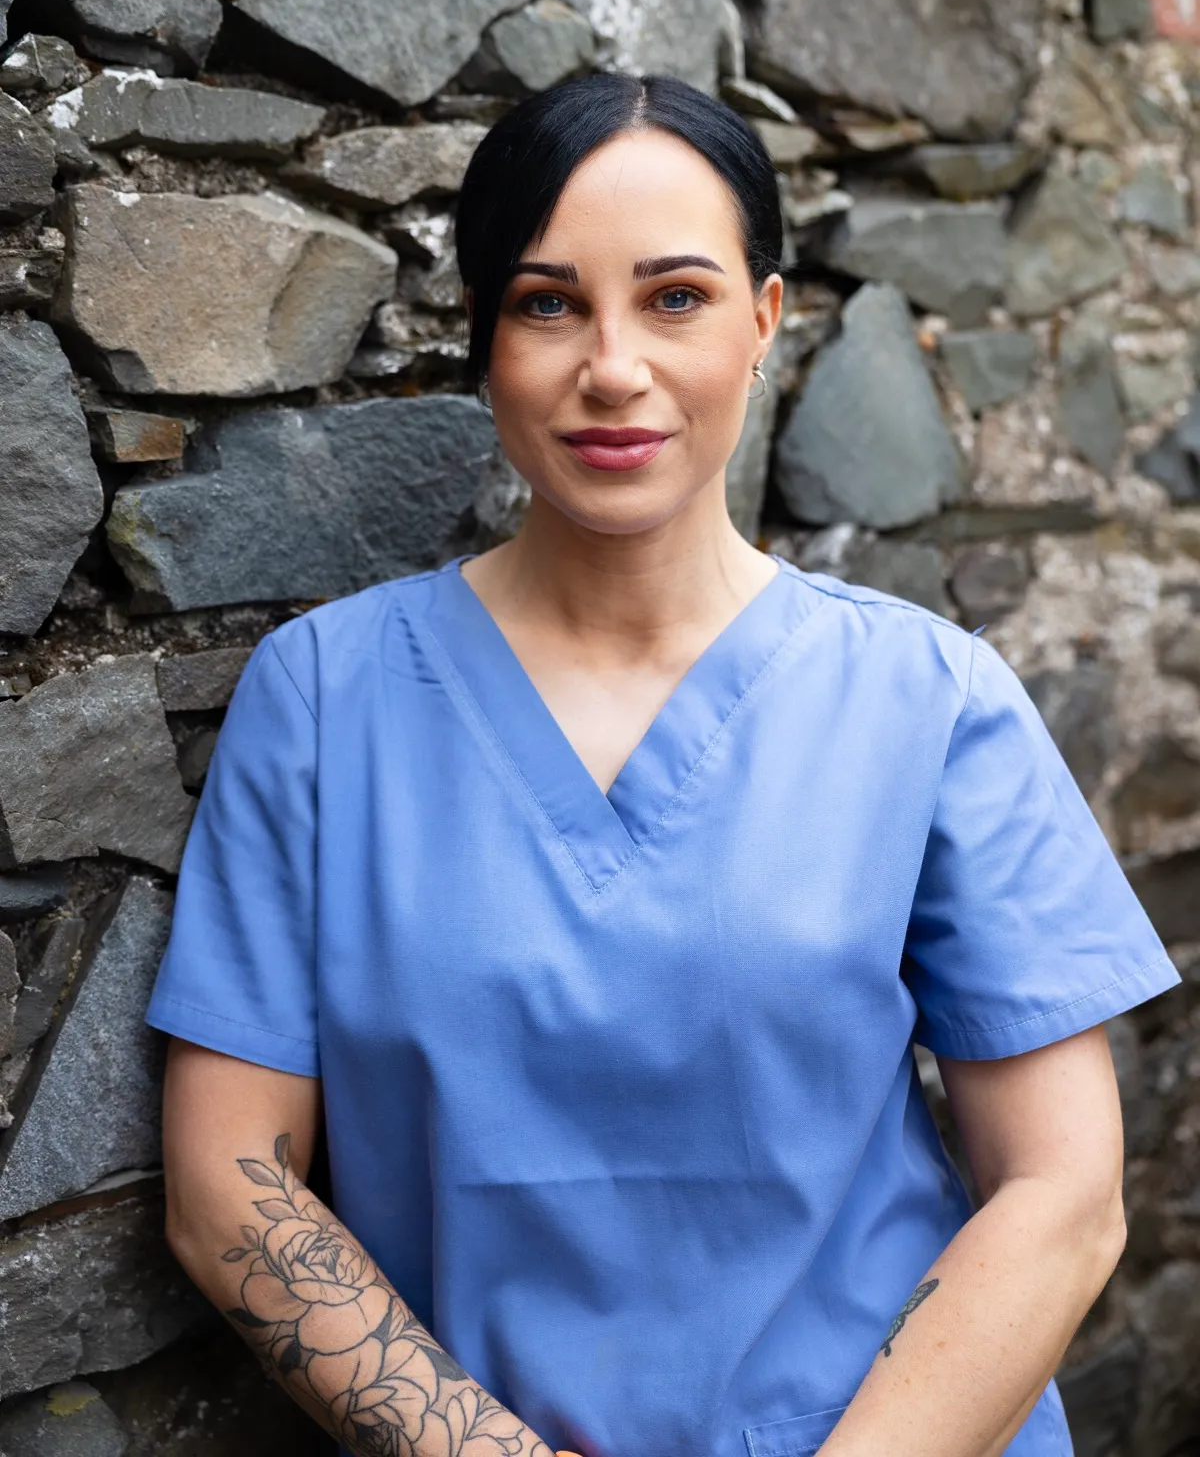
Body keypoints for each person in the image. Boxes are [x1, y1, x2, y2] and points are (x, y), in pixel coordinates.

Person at [147, 72, 1180, 1457]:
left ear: (764, 320)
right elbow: (228, 1178)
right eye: (548, 302)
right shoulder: (327, 701)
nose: (613, 367)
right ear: (486, 341)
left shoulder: (927, 701)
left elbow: (1062, 1192)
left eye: (677, 297)